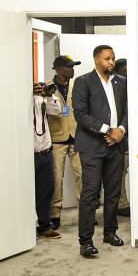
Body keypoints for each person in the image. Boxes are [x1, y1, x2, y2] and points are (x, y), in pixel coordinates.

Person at [73, 44, 128, 258]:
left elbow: (128, 110)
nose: (111, 62)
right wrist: (108, 130)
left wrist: (120, 130)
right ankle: (86, 241)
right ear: (96, 59)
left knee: (113, 193)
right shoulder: (83, 82)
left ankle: (110, 232)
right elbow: (81, 114)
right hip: (92, 146)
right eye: (107, 58)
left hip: (116, 145)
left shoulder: (121, 82)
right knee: (90, 193)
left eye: (113, 58)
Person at [45, 55, 83, 231]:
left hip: (77, 137)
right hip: (57, 139)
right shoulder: (47, 87)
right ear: (59, 69)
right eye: (69, 67)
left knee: (82, 176)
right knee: (56, 178)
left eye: (73, 66)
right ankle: (55, 215)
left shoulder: (77, 85)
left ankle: (86, 213)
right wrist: (44, 95)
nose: (72, 70)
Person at [32, 82, 57, 238]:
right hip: (29, 156)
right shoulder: (22, 100)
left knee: (46, 191)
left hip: (46, 152)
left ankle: (44, 225)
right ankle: (29, 229)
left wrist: (48, 95)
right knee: (28, 193)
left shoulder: (41, 99)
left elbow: (56, 111)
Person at [114, 58, 130, 217]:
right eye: (124, 71)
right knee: (120, 173)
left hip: (133, 138)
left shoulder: (132, 87)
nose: (127, 74)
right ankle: (121, 204)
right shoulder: (115, 90)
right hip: (120, 138)